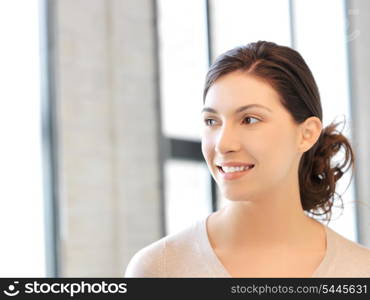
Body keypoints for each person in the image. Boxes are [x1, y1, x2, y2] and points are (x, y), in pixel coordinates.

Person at [124, 40, 370, 277]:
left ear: (307, 134)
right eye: (212, 121)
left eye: (249, 120)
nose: (223, 143)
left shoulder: (361, 270)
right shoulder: (160, 268)